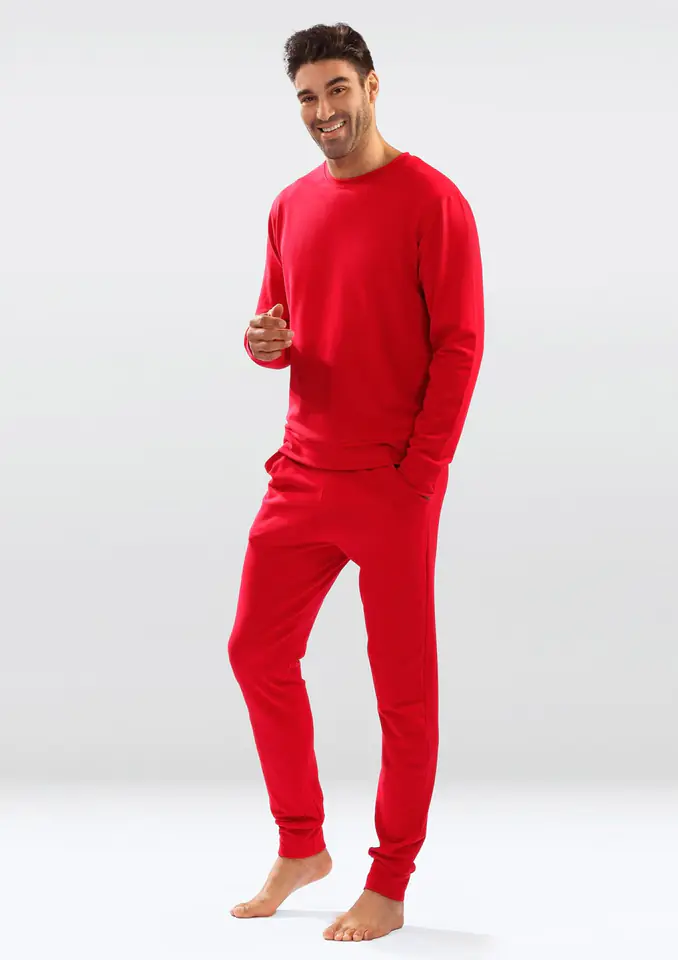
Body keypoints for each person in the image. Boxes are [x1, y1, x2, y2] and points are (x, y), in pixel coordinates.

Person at [227, 21, 484, 943]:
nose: (323, 111)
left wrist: (420, 476)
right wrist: (264, 343)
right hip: (301, 471)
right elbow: (281, 329)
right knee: (255, 651)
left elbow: (460, 346)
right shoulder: (289, 206)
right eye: (307, 96)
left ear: (373, 88)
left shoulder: (433, 201)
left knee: (402, 694)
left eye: (337, 89)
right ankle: (302, 843)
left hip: (391, 484)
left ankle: (390, 879)